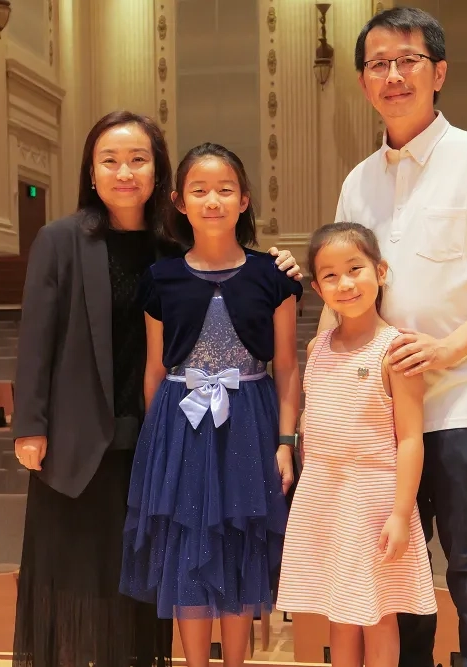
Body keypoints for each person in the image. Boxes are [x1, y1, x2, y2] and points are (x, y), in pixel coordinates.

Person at [12, 112, 302, 667]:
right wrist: (30, 424)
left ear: (158, 175)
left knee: (148, 571)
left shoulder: (171, 247)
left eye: (138, 159)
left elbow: (232, 275)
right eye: (110, 160)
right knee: (76, 574)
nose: (125, 172)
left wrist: (282, 259)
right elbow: (35, 338)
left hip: (155, 433)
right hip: (80, 434)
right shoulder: (60, 240)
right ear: (90, 173)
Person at [323, 8, 467, 667]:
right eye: (377, 64)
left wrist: (449, 349)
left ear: (439, 72)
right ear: (364, 82)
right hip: (383, 416)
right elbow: (344, 292)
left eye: (408, 60)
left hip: (463, 405)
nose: (393, 75)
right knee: (397, 571)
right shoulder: (356, 181)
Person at [119, 142, 300, 667]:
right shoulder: (162, 278)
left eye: (225, 190)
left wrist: (286, 441)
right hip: (180, 423)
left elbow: (287, 366)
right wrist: (159, 447)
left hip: (251, 420)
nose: (213, 201)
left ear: (244, 200)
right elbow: (156, 369)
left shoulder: (274, 275)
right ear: (179, 201)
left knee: (240, 542)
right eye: (199, 191)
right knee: (188, 545)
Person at [277, 223, 436, 667]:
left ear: (380, 271)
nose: (344, 283)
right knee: (339, 612)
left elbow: (409, 439)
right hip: (326, 496)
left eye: (354, 269)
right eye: (330, 276)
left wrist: (402, 513)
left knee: (378, 614)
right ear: (317, 287)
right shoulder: (319, 346)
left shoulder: (396, 350)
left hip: (374, 501)